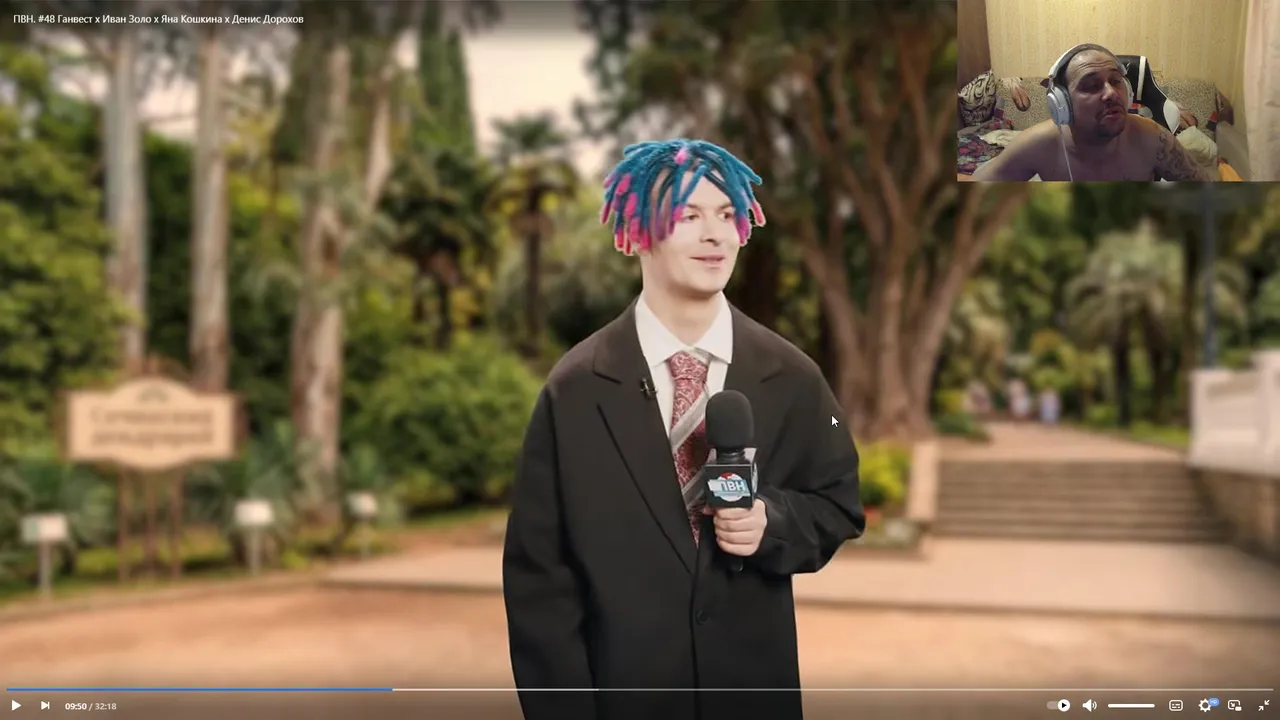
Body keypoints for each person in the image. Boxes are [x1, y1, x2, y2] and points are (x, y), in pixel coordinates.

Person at [502, 139, 866, 720]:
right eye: (689, 216)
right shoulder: (575, 389)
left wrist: (772, 523)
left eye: (726, 214)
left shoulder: (793, 376)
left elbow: (838, 504)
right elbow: (538, 581)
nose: (714, 234)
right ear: (639, 231)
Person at [971, 44, 1214, 181]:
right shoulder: (1037, 145)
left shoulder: (1154, 138)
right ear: (1062, 104)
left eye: (1116, 81)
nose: (1111, 93)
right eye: (1091, 85)